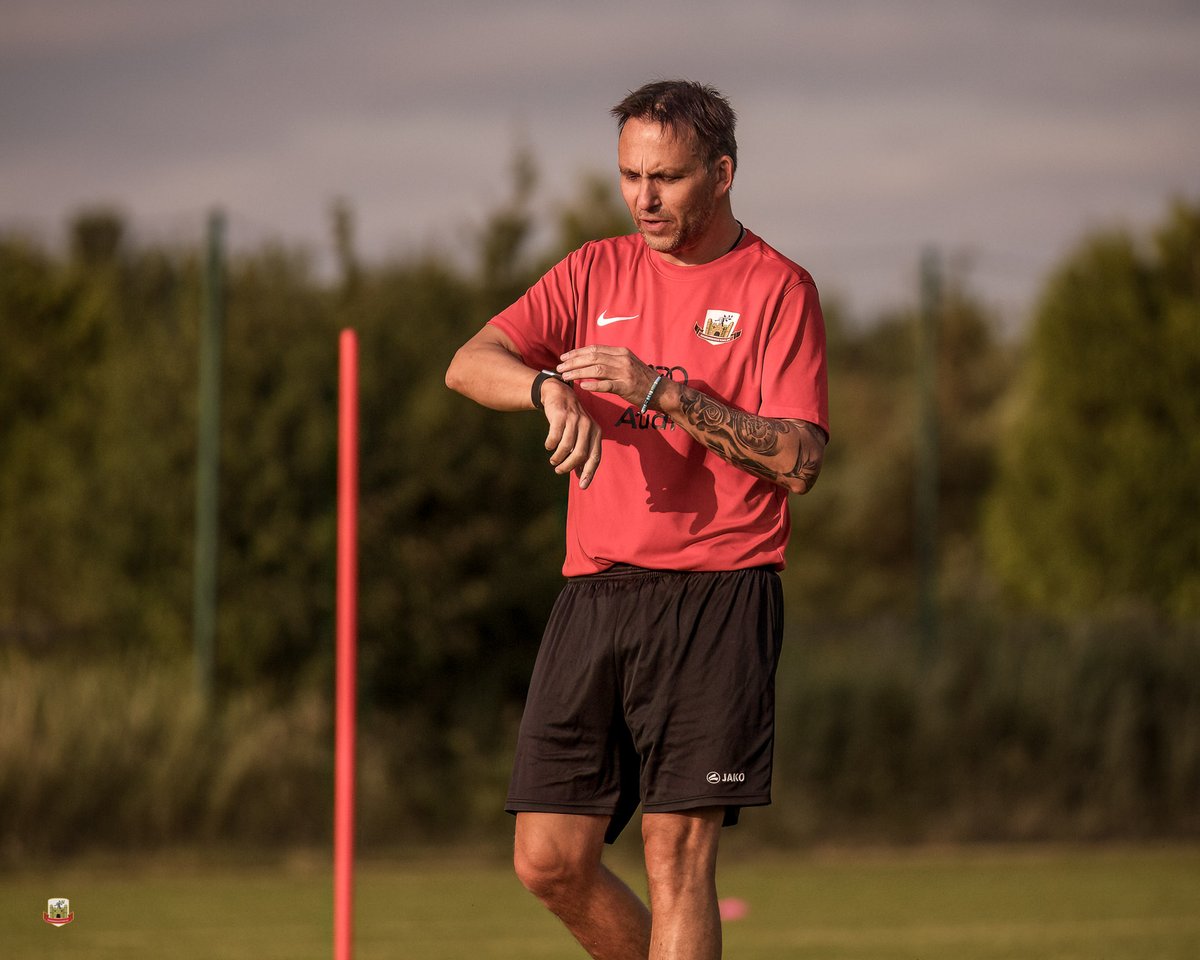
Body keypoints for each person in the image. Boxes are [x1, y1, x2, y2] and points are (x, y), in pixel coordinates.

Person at [445, 78, 829, 960]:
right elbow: (470, 362)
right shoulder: (592, 270)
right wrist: (547, 389)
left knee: (676, 854)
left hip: (719, 593)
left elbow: (800, 461)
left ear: (723, 172)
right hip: (596, 591)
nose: (645, 198)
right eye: (630, 176)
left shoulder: (778, 288)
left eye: (668, 177)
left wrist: (661, 391)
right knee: (549, 859)